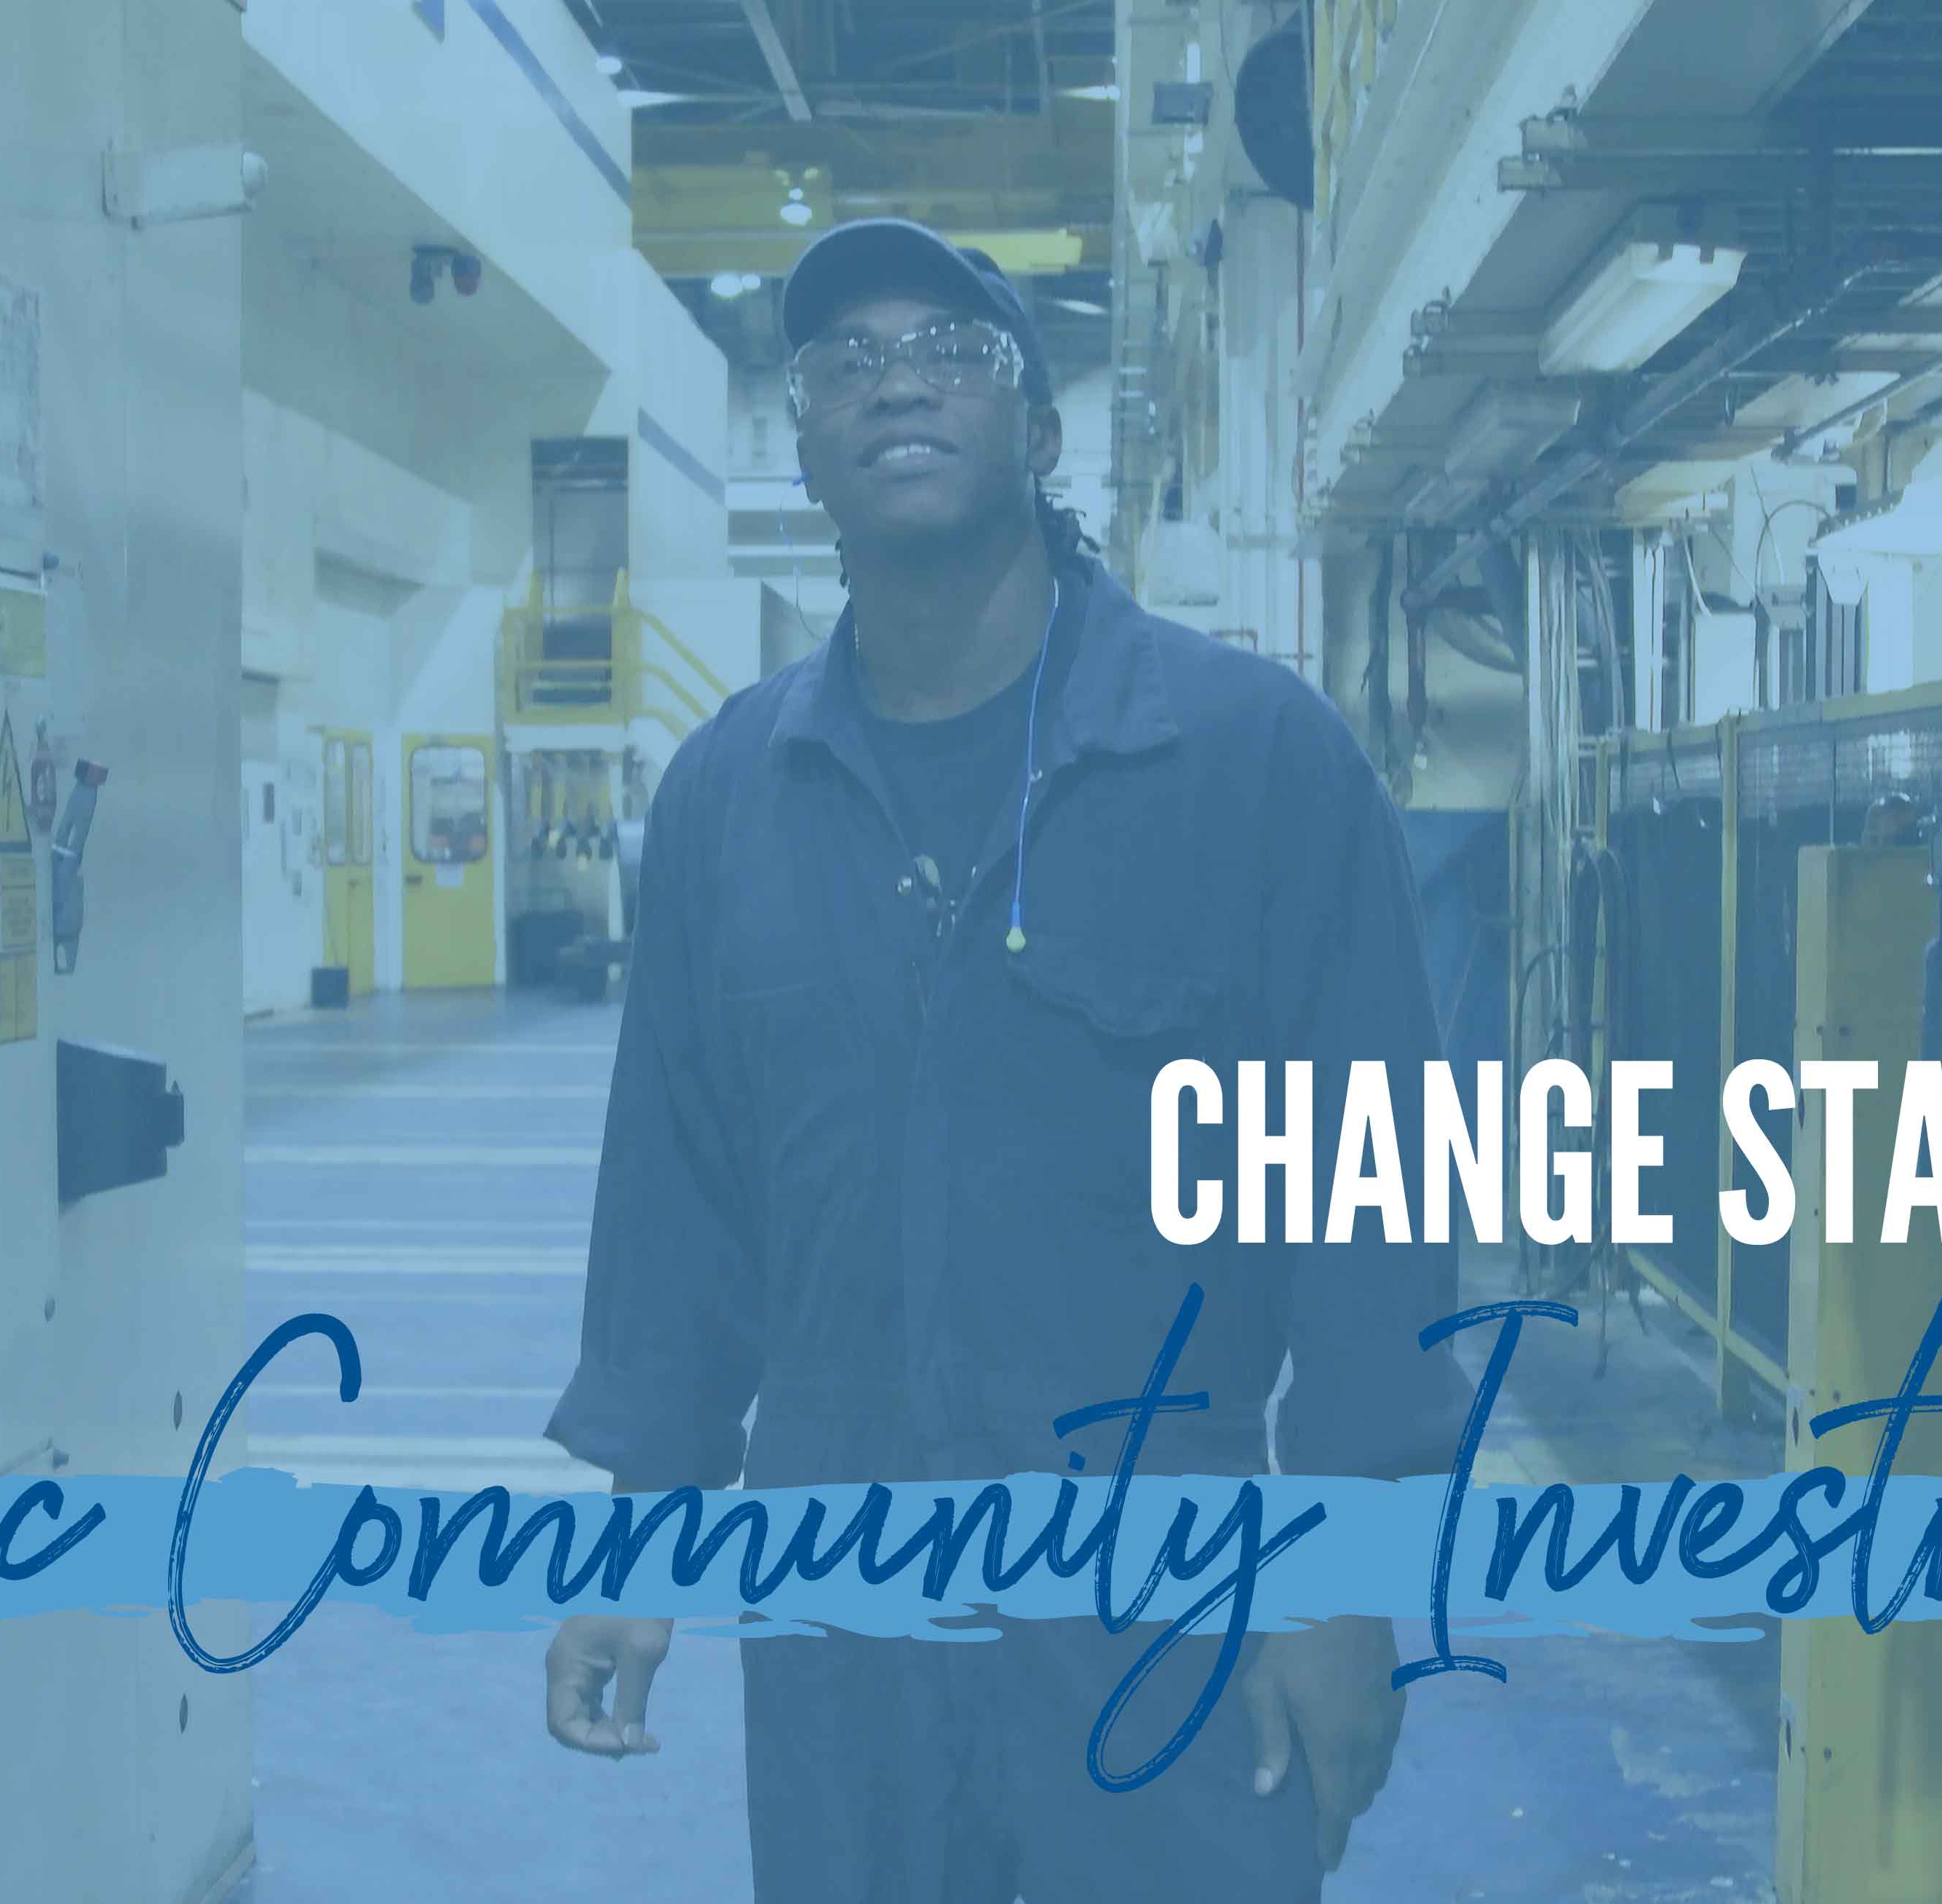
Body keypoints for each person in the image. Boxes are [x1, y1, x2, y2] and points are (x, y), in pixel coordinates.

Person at [540, 218, 1467, 1903]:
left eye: (953, 350)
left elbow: (1371, 1199)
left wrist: (1341, 1572)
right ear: (806, 450)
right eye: (843, 360)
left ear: (1042, 440)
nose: (896, 376)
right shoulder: (730, 798)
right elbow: (674, 1207)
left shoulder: (1250, 760)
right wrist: (639, 1529)